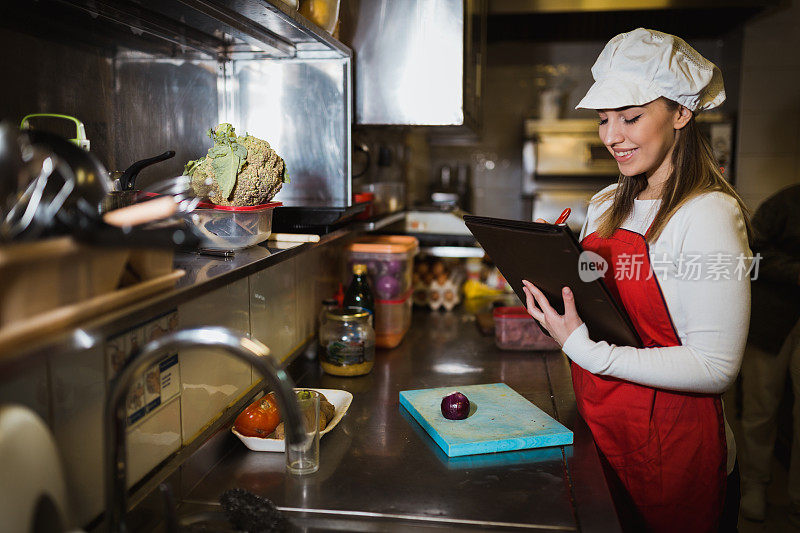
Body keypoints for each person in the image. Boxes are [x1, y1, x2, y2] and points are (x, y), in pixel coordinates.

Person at [522, 28, 752, 532]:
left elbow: (715, 366)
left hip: (676, 451)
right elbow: (596, 296)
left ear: (681, 113)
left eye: (631, 117)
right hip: (605, 430)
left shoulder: (707, 213)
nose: (612, 136)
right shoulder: (606, 203)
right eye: (604, 119)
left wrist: (590, 353)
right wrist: (552, 268)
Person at [739, 184, 800, 523]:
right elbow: (750, 257)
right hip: (772, 321)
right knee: (761, 410)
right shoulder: (785, 203)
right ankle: (755, 486)